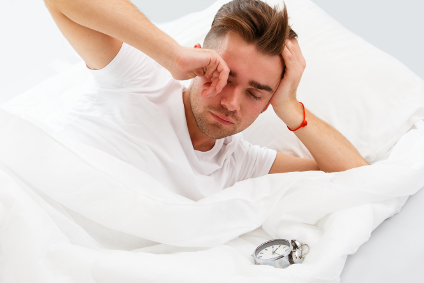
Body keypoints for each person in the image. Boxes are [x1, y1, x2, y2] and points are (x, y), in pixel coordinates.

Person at [44, 0, 368, 200]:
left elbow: (360, 179)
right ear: (200, 60)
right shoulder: (141, 78)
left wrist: (289, 106)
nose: (231, 102)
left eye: (255, 93)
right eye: (225, 76)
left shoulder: (240, 163)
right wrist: (171, 55)